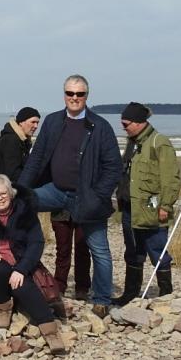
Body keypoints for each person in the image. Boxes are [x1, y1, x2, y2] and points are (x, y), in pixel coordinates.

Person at [17, 75, 122, 318]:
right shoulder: (53, 121)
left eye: (80, 94)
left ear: (87, 96)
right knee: (19, 205)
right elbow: (36, 159)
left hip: (88, 197)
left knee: (99, 249)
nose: (74, 98)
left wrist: (99, 195)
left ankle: (102, 299)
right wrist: (20, 190)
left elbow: (113, 167)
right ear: (64, 94)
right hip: (56, 191)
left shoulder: (100, 126)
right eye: (70, 93)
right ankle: (18, 271)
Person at [0, 175, 66, 355]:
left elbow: (36, 243)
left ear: (11, 193)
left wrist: (21, 269)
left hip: (19, 265)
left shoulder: (26, 214)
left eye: (3, 193)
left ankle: (50, 331)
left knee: (24, 286)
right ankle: (4, 306)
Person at [113, 103, 181, 304]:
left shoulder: (159, 143)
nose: (123, 127)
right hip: (130, 208)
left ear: (139, 122)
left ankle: (166, 295)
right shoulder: (133, 143)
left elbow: (171, 178)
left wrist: (166, 206)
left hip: (152, 210)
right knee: (133, 252)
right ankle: (130, 294)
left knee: (157, 250)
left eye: (126, 124)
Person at [0, 107, 40, 183]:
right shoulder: (11, 140)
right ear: (21, 123)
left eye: (37, 123)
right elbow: (12, 174)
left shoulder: (22, 139)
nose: (36, 126)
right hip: (6, 187)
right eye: (33, 122)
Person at [50, 210, 92, 300]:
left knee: (83, 250)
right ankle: (60, 286)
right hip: (61, 211)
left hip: (84, 211)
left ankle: (82, 288)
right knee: (62, 250)